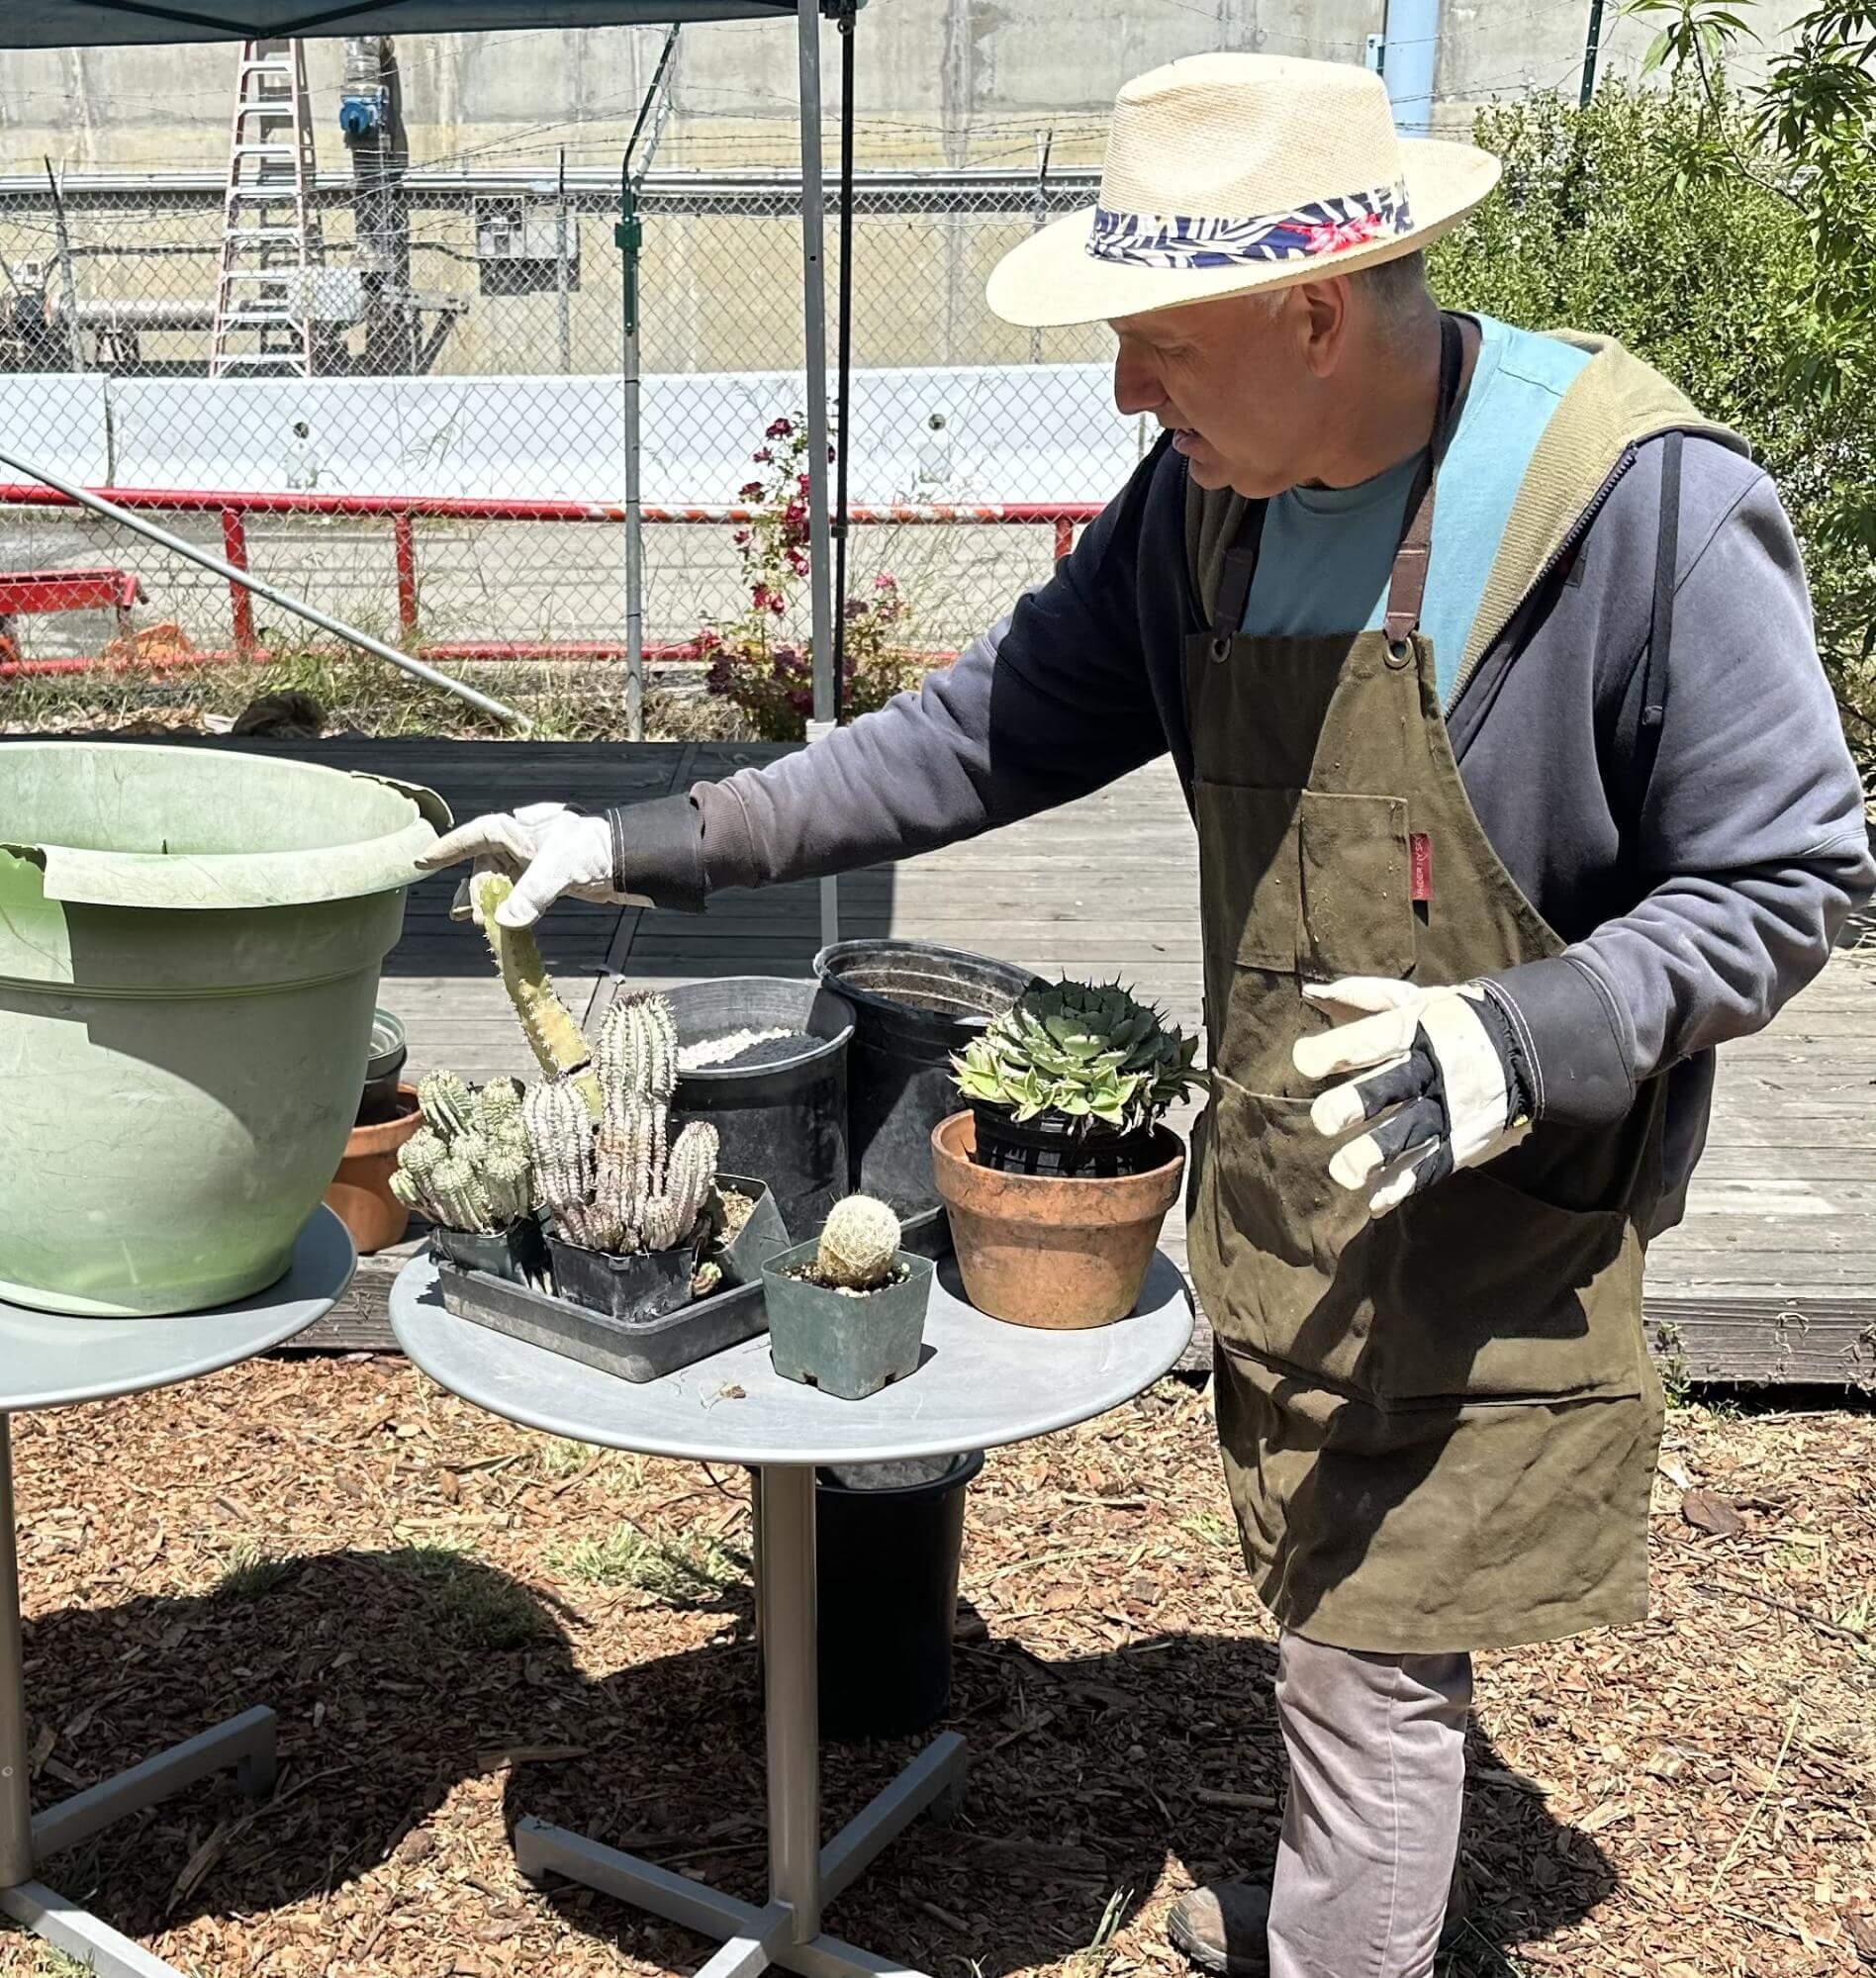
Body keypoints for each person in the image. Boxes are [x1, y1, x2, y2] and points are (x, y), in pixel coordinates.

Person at [422, 52, 1873, 1978]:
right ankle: (1363, 1899)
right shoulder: (1211, 503)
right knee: (1333, 1594)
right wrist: (628, 838)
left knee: (1371, 1637)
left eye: (1154, 343)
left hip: (1509, 1189)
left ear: (1312, 309)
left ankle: (1351, 1933)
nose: (1123, 392)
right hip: (1287, 1171)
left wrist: (1531, 1028)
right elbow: (964, 739)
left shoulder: (1629, 505)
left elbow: (1795, 876)